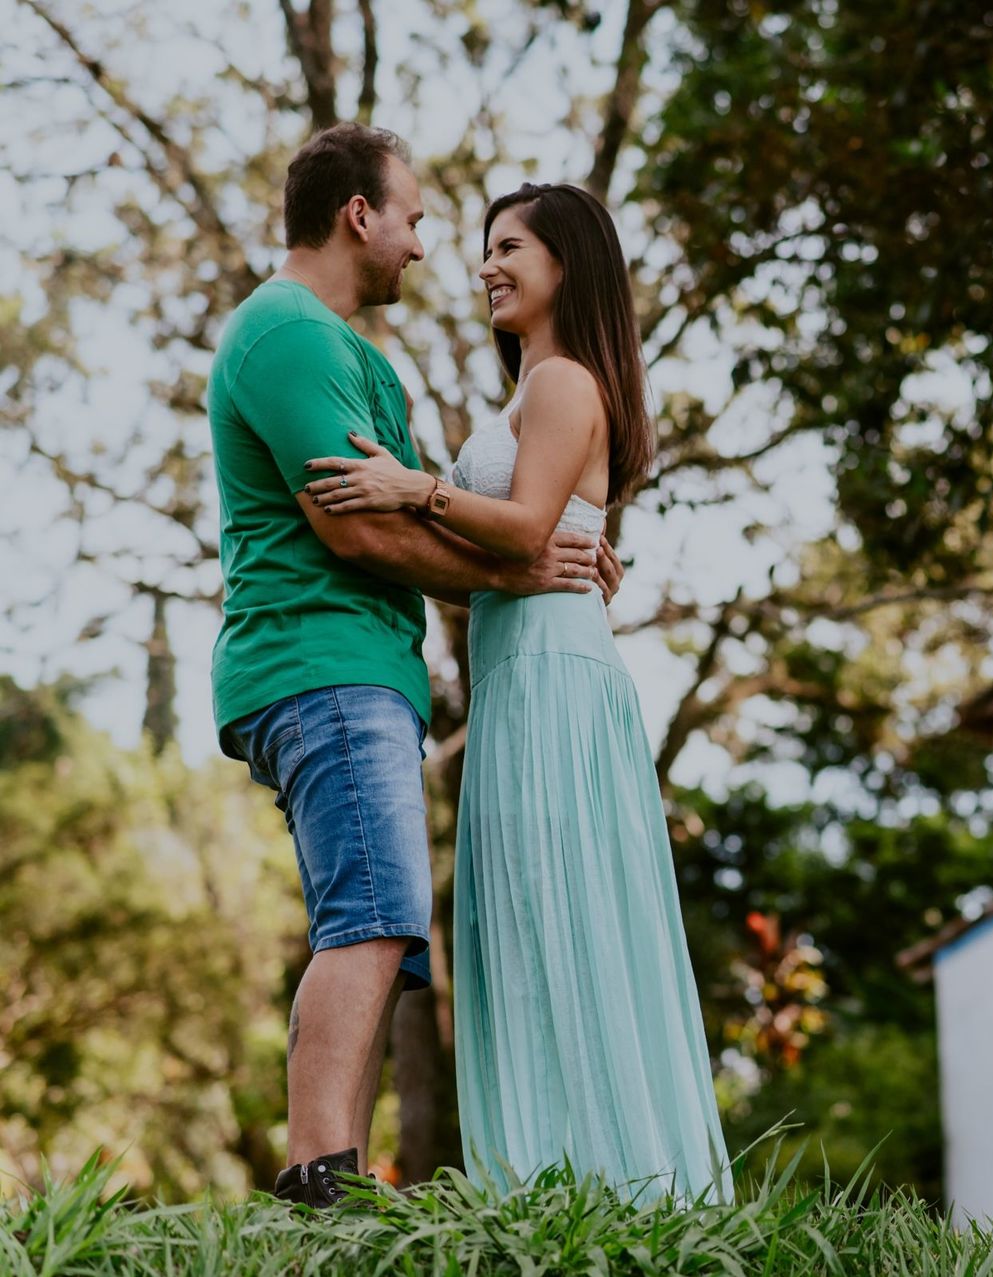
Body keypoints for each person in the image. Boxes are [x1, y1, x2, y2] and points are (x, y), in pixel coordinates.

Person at [207, 124, 621, 1208]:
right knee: (377, 913)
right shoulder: (287, 334)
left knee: (383, 922)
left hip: (362, 663)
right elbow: (353, 530)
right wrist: (518, 573)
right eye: (418, 218)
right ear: (360, 214)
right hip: (322, 658)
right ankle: (319, 1182)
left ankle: (333, 1166)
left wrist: (500, 541)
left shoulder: (348, 352)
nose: (428, 246)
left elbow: (424, 513)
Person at [300, 181, 733, 1204]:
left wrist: (417, 488)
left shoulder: (564, 380)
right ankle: (545, 1183)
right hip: (516, 675)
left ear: (566, 264)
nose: (487, 265)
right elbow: (538, 528)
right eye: (486, 248)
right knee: (528, 922)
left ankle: (617, 1187)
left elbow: (531, 524)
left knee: (564, 910)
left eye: (510, 247)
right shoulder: (536, 390)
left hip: (550, 679)